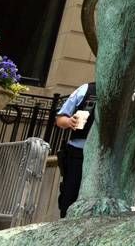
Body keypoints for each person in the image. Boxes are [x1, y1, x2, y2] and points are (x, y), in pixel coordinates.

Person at [54, 81, 95, 218]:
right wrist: (69, 121)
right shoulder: (86, 89)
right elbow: (60, 119)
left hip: (105, 157)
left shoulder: (126, 91)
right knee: (70, 197)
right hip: (78, 154)